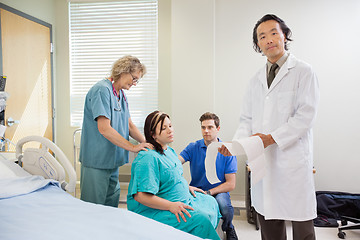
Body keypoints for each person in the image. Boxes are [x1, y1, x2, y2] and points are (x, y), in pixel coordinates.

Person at [219, 14, 319, 240]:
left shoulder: (304, 71)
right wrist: (235, 144)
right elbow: (246, 119)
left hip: (292, 160)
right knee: (269, 221)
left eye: (274, 32)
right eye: (262, 36)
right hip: (263, 161)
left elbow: (306, 116)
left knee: (302, 227)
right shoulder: (255, 80)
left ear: (285, 36)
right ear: (258, 44)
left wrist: (270, 138)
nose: (269, 39)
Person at [127, 111, 221, 240]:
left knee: (210, 201)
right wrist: (171, 206)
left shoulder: (168, 150)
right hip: (155, 209)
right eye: (163, 128)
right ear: (152, 134)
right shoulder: (147, 158)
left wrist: (187, 187)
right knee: (201, 220)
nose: (169, 130)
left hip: (179, 198)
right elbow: (141, 196)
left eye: (170, 126)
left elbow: (172, 176)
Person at [79, 55, 152, 207]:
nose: (135, 83)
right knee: (93, 208)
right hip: (97, 161)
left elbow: (129, 124)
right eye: (134, 78)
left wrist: (147, 143)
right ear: (123, 71)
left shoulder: (121, 94)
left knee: (111, 207)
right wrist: (133, 147)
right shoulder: (101, 90)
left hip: (112, 162)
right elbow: (104, 129)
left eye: (137, 80)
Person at [179, 112, 238, 240]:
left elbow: (231, 184)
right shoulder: (193, 147)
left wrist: (210, 192)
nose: (206, 131)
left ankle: (229, 228)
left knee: (224, 206)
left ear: (218, 129)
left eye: (210, 127)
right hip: (197, 190)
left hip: (218, 191)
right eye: (203, 127)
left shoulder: (227, 151)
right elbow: (175, 163)